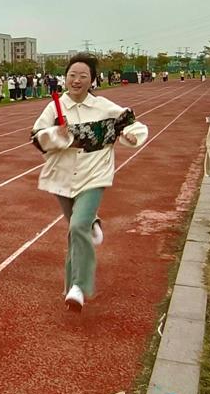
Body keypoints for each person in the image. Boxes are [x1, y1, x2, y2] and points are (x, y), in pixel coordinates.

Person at [31, 53, 148, 312]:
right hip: (61, 177)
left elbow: (134, 126)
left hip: (94, 174)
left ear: (92, 79)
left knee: (78, 226)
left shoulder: (104, 107)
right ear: (65, 77)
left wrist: (130, 135)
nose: (76, 80)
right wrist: (55, 135)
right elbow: (36, 137)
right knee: (78, 229)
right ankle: (91, 225)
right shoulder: (55, 107)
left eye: (83, 76)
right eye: (72, 75)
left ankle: (78, 286)